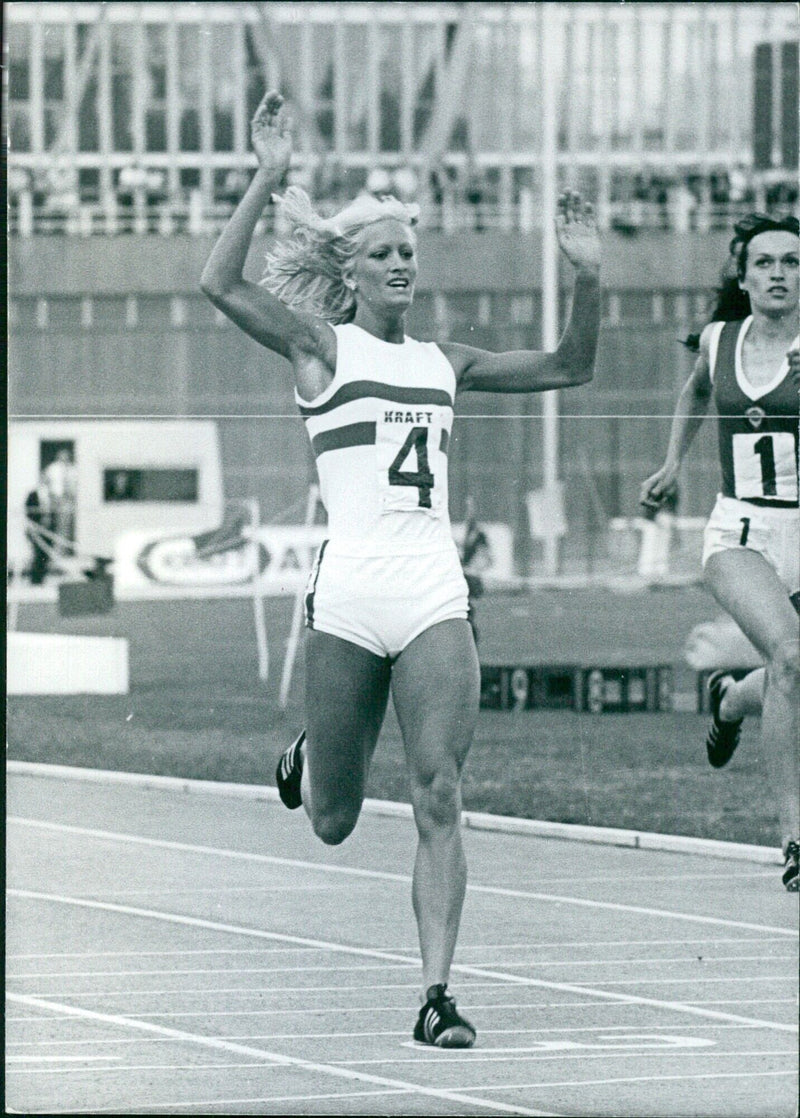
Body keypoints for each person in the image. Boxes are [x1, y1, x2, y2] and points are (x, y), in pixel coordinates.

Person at [201, 90, 601, 1046]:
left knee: (439, 790)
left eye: (407, 253)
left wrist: (587, 277)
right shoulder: (319, 349)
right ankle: (309, 757)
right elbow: (217, 283)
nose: (399, 265)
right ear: (351, 267)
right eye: (380, 252)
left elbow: (569, 368)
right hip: (346, 598)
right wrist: (265, 178)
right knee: (334, 818)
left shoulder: (444, 361)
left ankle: (435, 994)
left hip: (431, 595)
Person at [641, 213, 800, 892]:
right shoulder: (719, 339)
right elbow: (697, 389)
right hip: (742, 531)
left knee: (794, 670)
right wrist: (674, 460)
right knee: (791, 654)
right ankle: (795, 836)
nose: (777, 274)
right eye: (764, 262)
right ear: (745, 275)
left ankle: (732, 700)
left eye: (792, 263)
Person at [25, 473, 55, 585]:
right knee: (37, 553)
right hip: (36, 528)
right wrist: (32, 525)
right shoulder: (33, 494)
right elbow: (28, 510)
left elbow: (53, 513)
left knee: (45, 555)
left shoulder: (51, 495)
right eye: (44, 480)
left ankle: (41, 579)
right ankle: (35, 580)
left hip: (48, 529)